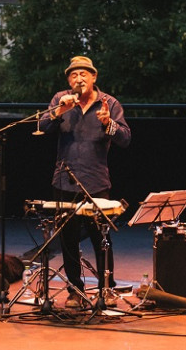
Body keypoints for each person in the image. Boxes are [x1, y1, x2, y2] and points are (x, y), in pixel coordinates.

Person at [38, 56, 131, 308]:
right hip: (64, 180)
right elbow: (41, 127)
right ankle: (74, 290)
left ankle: (106, 289)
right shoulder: (61, 99)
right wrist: (59, 112)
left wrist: (107, 123)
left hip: (96, 181)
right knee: (67, 238)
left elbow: (125, 138)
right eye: (73, 75)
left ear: (93, 77)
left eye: (83, 74)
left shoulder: (109, 103)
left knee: (101, 238)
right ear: (69, 80)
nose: (78, 79)